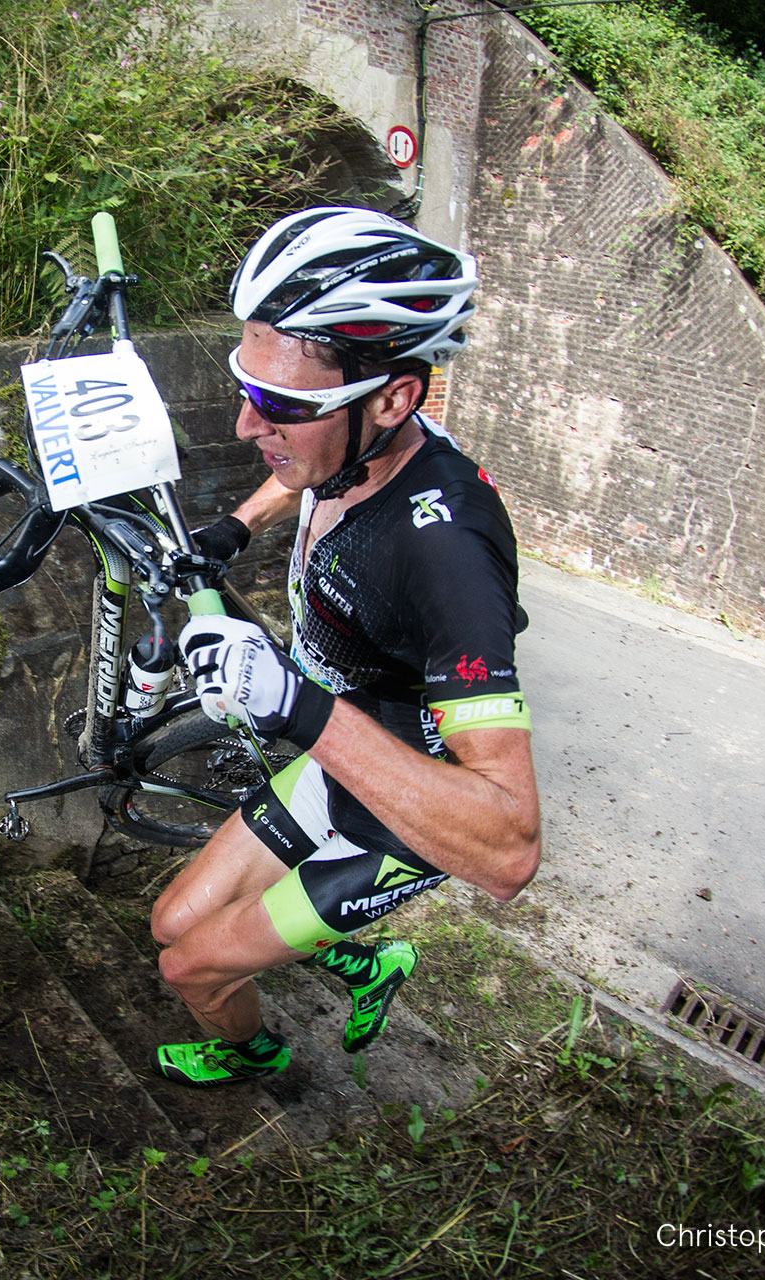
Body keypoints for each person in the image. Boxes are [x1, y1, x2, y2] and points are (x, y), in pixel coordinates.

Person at [153, 206, 541, 1087]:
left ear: (396, 396)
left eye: (281, 405)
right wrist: (234, 526)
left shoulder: (447, 556)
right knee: (172, 921)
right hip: (346, 755)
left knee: (190, 967)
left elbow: (510, 848)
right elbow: (313, 468)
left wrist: (294, 703)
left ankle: (249, 1056)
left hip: (406, 816)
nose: (250, 427)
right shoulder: (358, 446)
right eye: (247, 389)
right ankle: (369, 966)